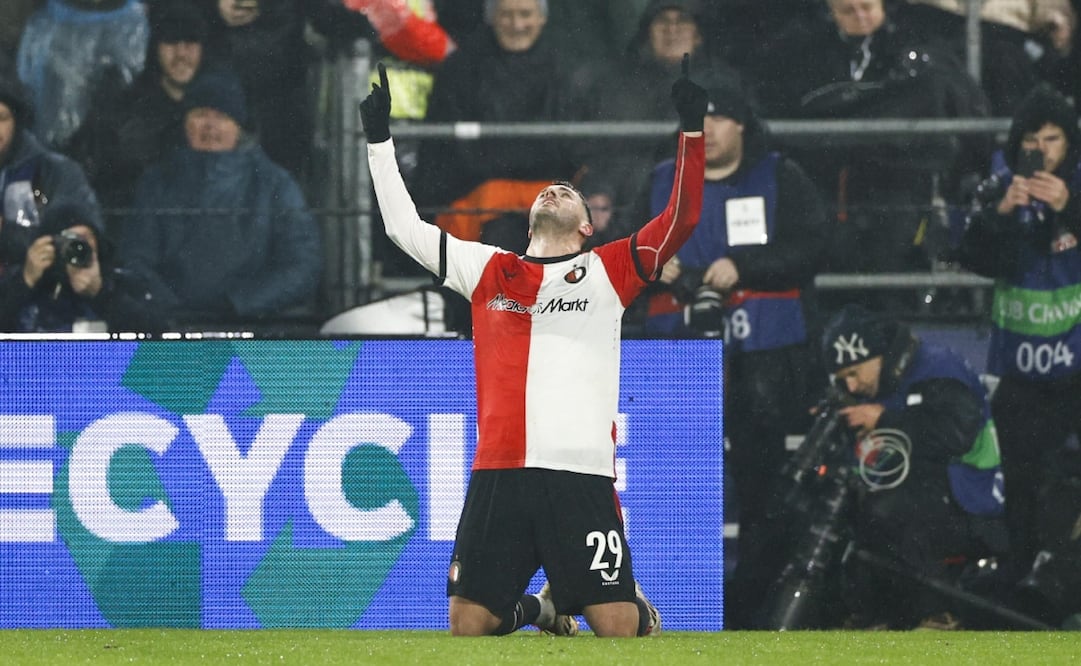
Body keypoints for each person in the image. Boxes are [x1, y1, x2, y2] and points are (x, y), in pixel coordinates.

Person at [359, 57, 707, 636]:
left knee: (618, 628)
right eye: (549, 190)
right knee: (467, 625)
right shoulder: (488, 269)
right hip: (500, 469)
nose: (555, 191)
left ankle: (619, 603)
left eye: (567, 191)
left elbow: (682, 218)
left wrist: (691, 131)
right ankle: (543, 609)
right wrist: (379, 140)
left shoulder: (609, 269)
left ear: (587, 225)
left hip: (579, 471)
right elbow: (403, 227)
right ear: (529, 222)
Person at [630, 85, 830, 627]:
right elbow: (618, 251)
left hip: (766, 356)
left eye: (721, 118)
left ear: (743, 125)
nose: (710, 129)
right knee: (671, 479)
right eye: (701, 119)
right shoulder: (657, 182)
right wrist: (647, 263)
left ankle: (755, 603)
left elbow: (816, 247)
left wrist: (746, 267)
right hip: (673, 354)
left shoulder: (780, 177)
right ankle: (667, 593)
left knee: (765, 481)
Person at [752, 0, 991, 280]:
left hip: (898, 184)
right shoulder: (805, 53)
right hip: (830, 185)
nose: (860, 17)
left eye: (867, 7)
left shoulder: (917, 44)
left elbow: (958, 100)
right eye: (847, 11)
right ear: (830, 12)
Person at [957, 83, 1081, 588]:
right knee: (1022, 477)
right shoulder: (1000, 184)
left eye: (1053, 139)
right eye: (1033, 139)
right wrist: (1003, 215)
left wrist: (1069, 208)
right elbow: (974, 259)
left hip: (1076, 361)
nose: (1044, 150)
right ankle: (1021, 578)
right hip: (1021, 367)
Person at [817, 305, 1005, 629]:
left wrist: (885, 419)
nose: (850, 387)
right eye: (841, 379)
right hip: (936, 496)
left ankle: (936, 617)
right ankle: (863, 616)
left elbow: (956, 434)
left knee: (889, 509)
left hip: (971, 503)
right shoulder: (886, 381)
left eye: (853, 373)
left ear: (878, 356)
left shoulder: (937, 368)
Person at [120, 67, 322, 330]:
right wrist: (172, 310)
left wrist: (238, 304)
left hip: (255, 330)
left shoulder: (274, 184)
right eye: (201, 114)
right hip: (172, 331)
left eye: (222, 116)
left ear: (238, 126)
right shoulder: (157, 181)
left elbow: (302, 265)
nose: (210, 126)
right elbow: (135, 258)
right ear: (185, 122)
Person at [64, 0, 213, 236]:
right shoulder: (123, 110)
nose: (182, 53)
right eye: (171, 42)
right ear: (155, 47)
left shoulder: (222, 112)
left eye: (191, 42)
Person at [0, 68, 100, 282]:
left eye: (1, 118)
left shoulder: (55, 172)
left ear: (17, 123)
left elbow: (77, 244)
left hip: (38, 304)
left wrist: (6, 231)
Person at [0, 201, 161, 333]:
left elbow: (157, 340)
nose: (76, 247)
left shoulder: (121, 285)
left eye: (83, 239)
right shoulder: (24, 285)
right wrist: (25, 282)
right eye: (67, 240)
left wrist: (100, 294)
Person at [15, 0, 150, 150]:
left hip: (111, 141)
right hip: (52, 138)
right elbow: (29, 81)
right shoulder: (47, 19)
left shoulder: (131, 20)